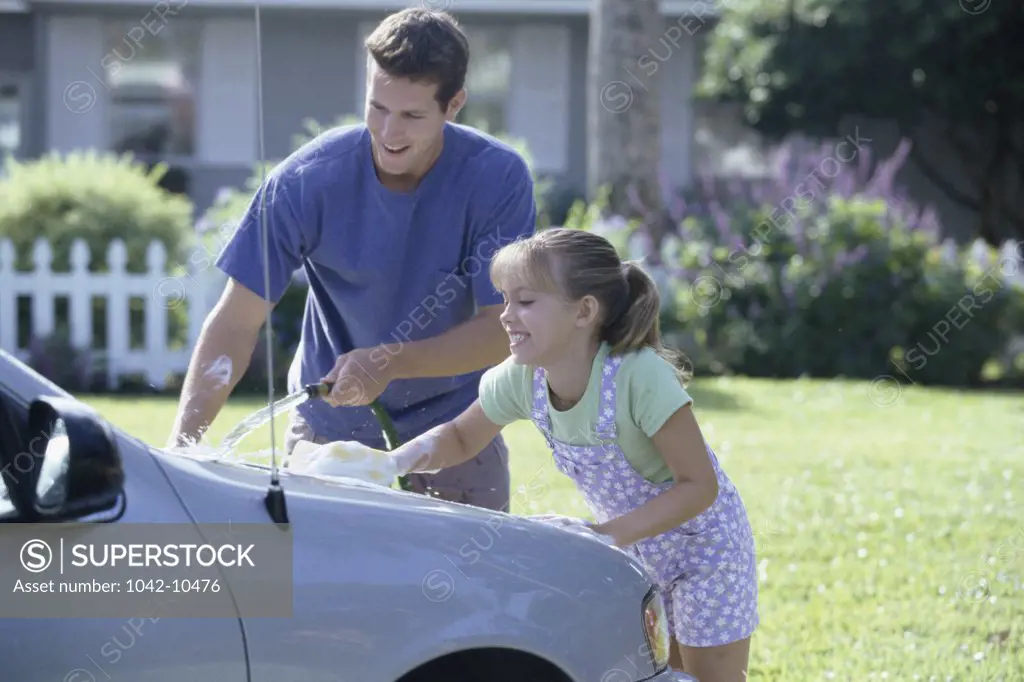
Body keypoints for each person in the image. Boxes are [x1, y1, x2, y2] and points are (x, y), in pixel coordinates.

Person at [166, 8, 537, 512]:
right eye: (377, 107)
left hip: (457, 433)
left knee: (472, 588)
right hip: (328, 433)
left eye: (411, 115)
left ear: (454, 105)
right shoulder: (307, 180)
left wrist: (389, 363)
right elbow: (235, 321)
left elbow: (503, 330)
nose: (388, 132)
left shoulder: (498, 179)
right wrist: (180, 453)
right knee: (318, 588)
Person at [382, 228, 759, 681]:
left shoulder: (639, 377)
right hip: (632, 549)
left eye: (525, 302)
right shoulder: (522, 377)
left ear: (584, 311)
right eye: (504, 300)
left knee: (710, 679)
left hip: (705, 551)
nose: (505, 316)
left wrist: (607, 534)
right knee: (658, 675)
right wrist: (391, 462)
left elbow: (699, 485)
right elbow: (461, 438)